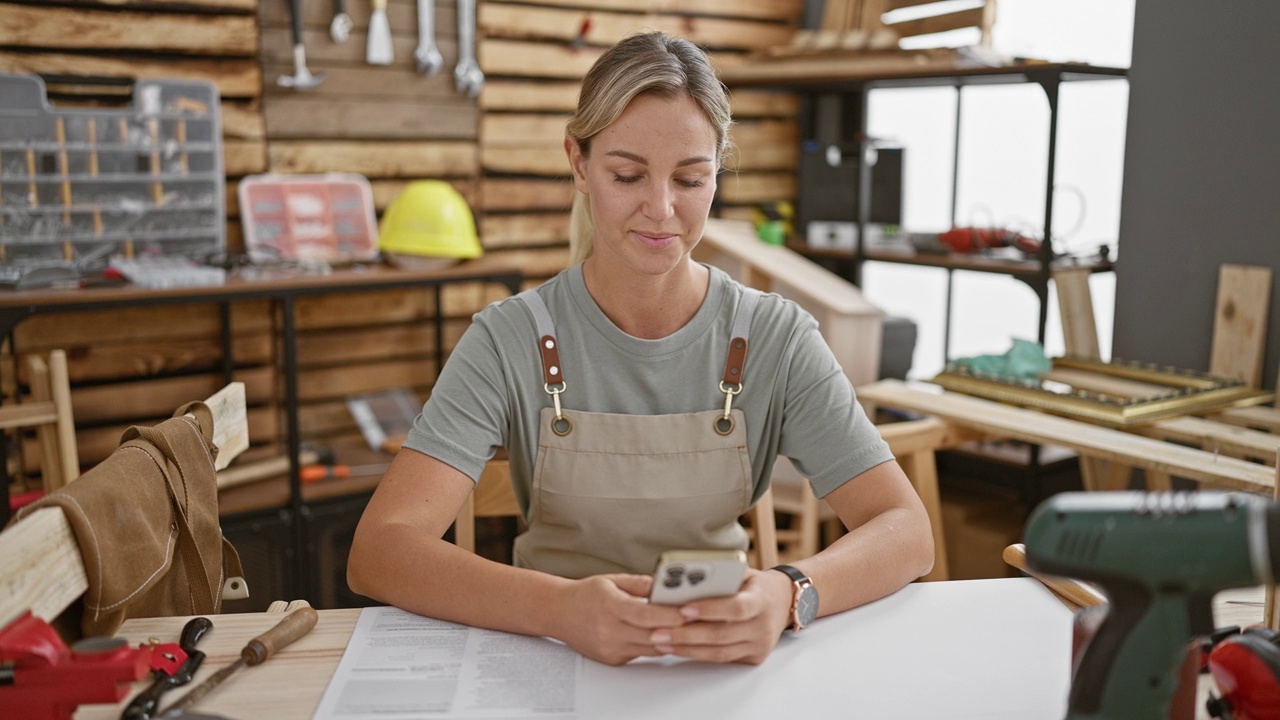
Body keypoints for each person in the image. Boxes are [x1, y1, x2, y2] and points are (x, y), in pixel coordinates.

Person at [347, 31, 934, 666]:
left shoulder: (777, 338)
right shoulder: (507, 339)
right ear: (578, 163)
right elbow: (380, 550)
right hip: (549, 659)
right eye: (627, 174)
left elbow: (907, 532)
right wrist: (558, 610)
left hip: (718, 670)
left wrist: (789, 592)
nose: (661, 209)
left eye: (690, 178)